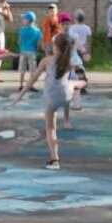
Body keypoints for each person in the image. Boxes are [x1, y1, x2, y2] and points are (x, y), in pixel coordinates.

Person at [16, 32, 79, 169]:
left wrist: (20, 95)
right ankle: (67, 118)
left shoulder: (46, 61)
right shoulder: (70, 63)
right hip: (66, 96)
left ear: (55, 47)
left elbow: (33, 79)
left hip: (51, 98)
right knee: (71, 86)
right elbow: (74, 74)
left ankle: (55, 159)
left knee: (50, 128)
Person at [15, 11, 44, 89]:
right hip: (32, 51)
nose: (23, 20)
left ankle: (21, 85)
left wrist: (21, 47)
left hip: (23, 51)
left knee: (22, 69)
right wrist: (37, 49)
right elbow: (39, 43)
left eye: (24, 18)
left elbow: (19, 41)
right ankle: (31, 85)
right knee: (32, 69)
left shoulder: (22, 30)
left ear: (28, 20)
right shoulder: (37, 31)